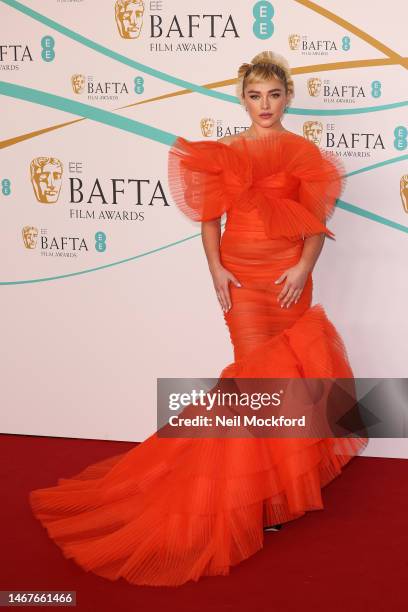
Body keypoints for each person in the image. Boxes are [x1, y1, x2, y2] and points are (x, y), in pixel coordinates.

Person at [28, 50, 368, 587]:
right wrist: (216, 271)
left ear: (288, 99)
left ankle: (277, 494)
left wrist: (303, 269)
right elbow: (209, 221)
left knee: (288, 386)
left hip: (288, 278)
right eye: (254, 95)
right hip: (243, 277)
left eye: (274, 95)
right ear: (242, 98)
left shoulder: (304, 153)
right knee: (252, 383)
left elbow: (313, 227)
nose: (265, 104)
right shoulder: (224, 152)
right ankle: (247, 494)